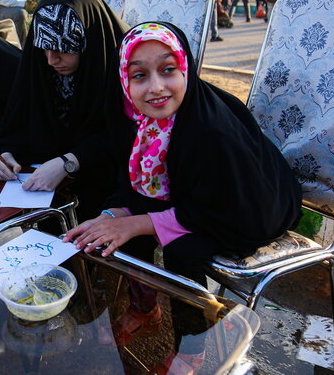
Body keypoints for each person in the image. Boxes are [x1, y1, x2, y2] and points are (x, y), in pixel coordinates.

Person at [64, 22, 302, 368]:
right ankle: (146, 309)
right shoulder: (131, 114)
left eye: (168, 70)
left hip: (251, 207)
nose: (156, 88)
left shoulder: (211, 131)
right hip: (198, 197)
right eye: (140, 75)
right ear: (123, 81)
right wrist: (113, 216)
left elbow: (221, 206)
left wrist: (137, 223)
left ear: (185, 67)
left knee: (181, 249)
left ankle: (192, 349)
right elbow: (130, 178)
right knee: (122, 223)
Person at [0, 0, 129, 220]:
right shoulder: (41, 68)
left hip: (112, 201)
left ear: (87, 41)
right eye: (45, 49)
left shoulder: (124, 67)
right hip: (45, 196)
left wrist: (71, 160)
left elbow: (125, 136)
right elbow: (19, 122)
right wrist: (6, 153)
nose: (51, 60)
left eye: (64, 49)